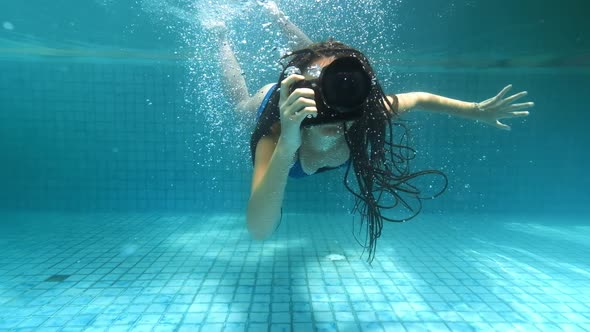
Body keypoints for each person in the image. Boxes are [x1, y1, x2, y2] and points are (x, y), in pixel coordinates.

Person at [213, 2, 533, 263]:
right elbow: (259, 229)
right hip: (271, 102)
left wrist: (476, 110)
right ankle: (221, 38)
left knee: (322, 59)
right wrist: (286, 146)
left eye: (341, 88)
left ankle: (277, 14)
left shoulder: (364, 111)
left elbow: (419, 98)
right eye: (317, 89)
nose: (331, 107)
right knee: (240, 104)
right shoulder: (275, 132)